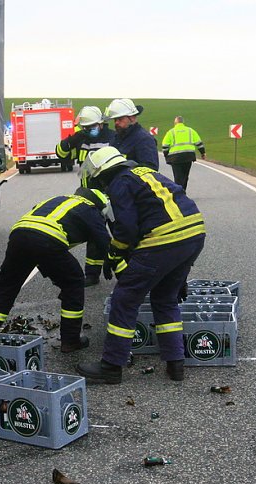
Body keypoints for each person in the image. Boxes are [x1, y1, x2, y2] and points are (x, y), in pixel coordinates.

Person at [76, 147, 205, 384]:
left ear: (101, 173)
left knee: (124, 298)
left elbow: (126, 228)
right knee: (165, 298)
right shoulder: (145, 172)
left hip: (164, 239)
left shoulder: (119, 182)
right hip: (194, 233)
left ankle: (111, 366)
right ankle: (176, 364)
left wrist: (114, 253)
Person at [0, 188, 113, 352]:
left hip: (19, 234)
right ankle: (71, 340)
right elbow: (105, 241)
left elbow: (37, 242)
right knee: (74, 282)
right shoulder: (91, 209)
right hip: (48, 239)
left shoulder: (60, 199)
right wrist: (113, 263)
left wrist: (55, 274)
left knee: (6, 288)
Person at [56, 106, 117, 287]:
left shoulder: (112, 137)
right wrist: (70, 140)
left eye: (91, 126)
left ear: (100, 123)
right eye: (85, 127)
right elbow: (61, 154)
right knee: (94, 234)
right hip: (89, 196)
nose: (88, 130)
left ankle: (128, 269)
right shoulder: (80, 138)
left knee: (121, 232)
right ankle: (91, 274)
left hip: (112, 194)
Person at [104, 98, 159, 171]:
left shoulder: (144, 139)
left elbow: (150, 169)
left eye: (120, 119)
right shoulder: (116, 138)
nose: (116, 122)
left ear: (132, 117)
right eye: (115, 120)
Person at [161, 116, 206, 191]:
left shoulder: (171, 132)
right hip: (188, 156)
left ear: (175, 123)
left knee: (178, 177)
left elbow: (165, 146)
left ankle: (179, 193)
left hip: (175, 158)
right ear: (183, 122)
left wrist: (166, 156)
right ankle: (183, 190)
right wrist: (203, 153)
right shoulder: (190, 131)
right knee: (185, 176)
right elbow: (199, 143)